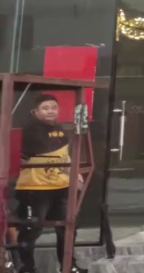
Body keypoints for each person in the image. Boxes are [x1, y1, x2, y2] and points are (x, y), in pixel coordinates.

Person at [14, 94, 87, 273]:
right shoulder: (27, 131)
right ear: (35, 111)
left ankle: (69, 266)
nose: (50, 111)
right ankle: (26, 268)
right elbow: (16, 156)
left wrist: (74, 173)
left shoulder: (60, 129)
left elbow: (64, 156)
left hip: (61, 187)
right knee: (31, 230)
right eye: (45, 108)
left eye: (53, 107)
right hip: (35, 188)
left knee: (69, 228)